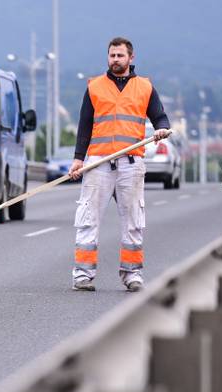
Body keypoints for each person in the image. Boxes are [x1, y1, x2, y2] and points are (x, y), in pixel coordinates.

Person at [67, 37, 171, 292]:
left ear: (130, 58)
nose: (115, 60)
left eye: (120, 55)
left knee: (134, 221)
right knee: (88, 219)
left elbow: (160, 117)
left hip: (131, 164)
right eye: (112, 55)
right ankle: (83, 275)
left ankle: (132, 275)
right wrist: (78, 159)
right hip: (98, 163)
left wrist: (162, 129)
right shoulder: (94, 86)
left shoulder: (145, 87)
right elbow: (84, 126)